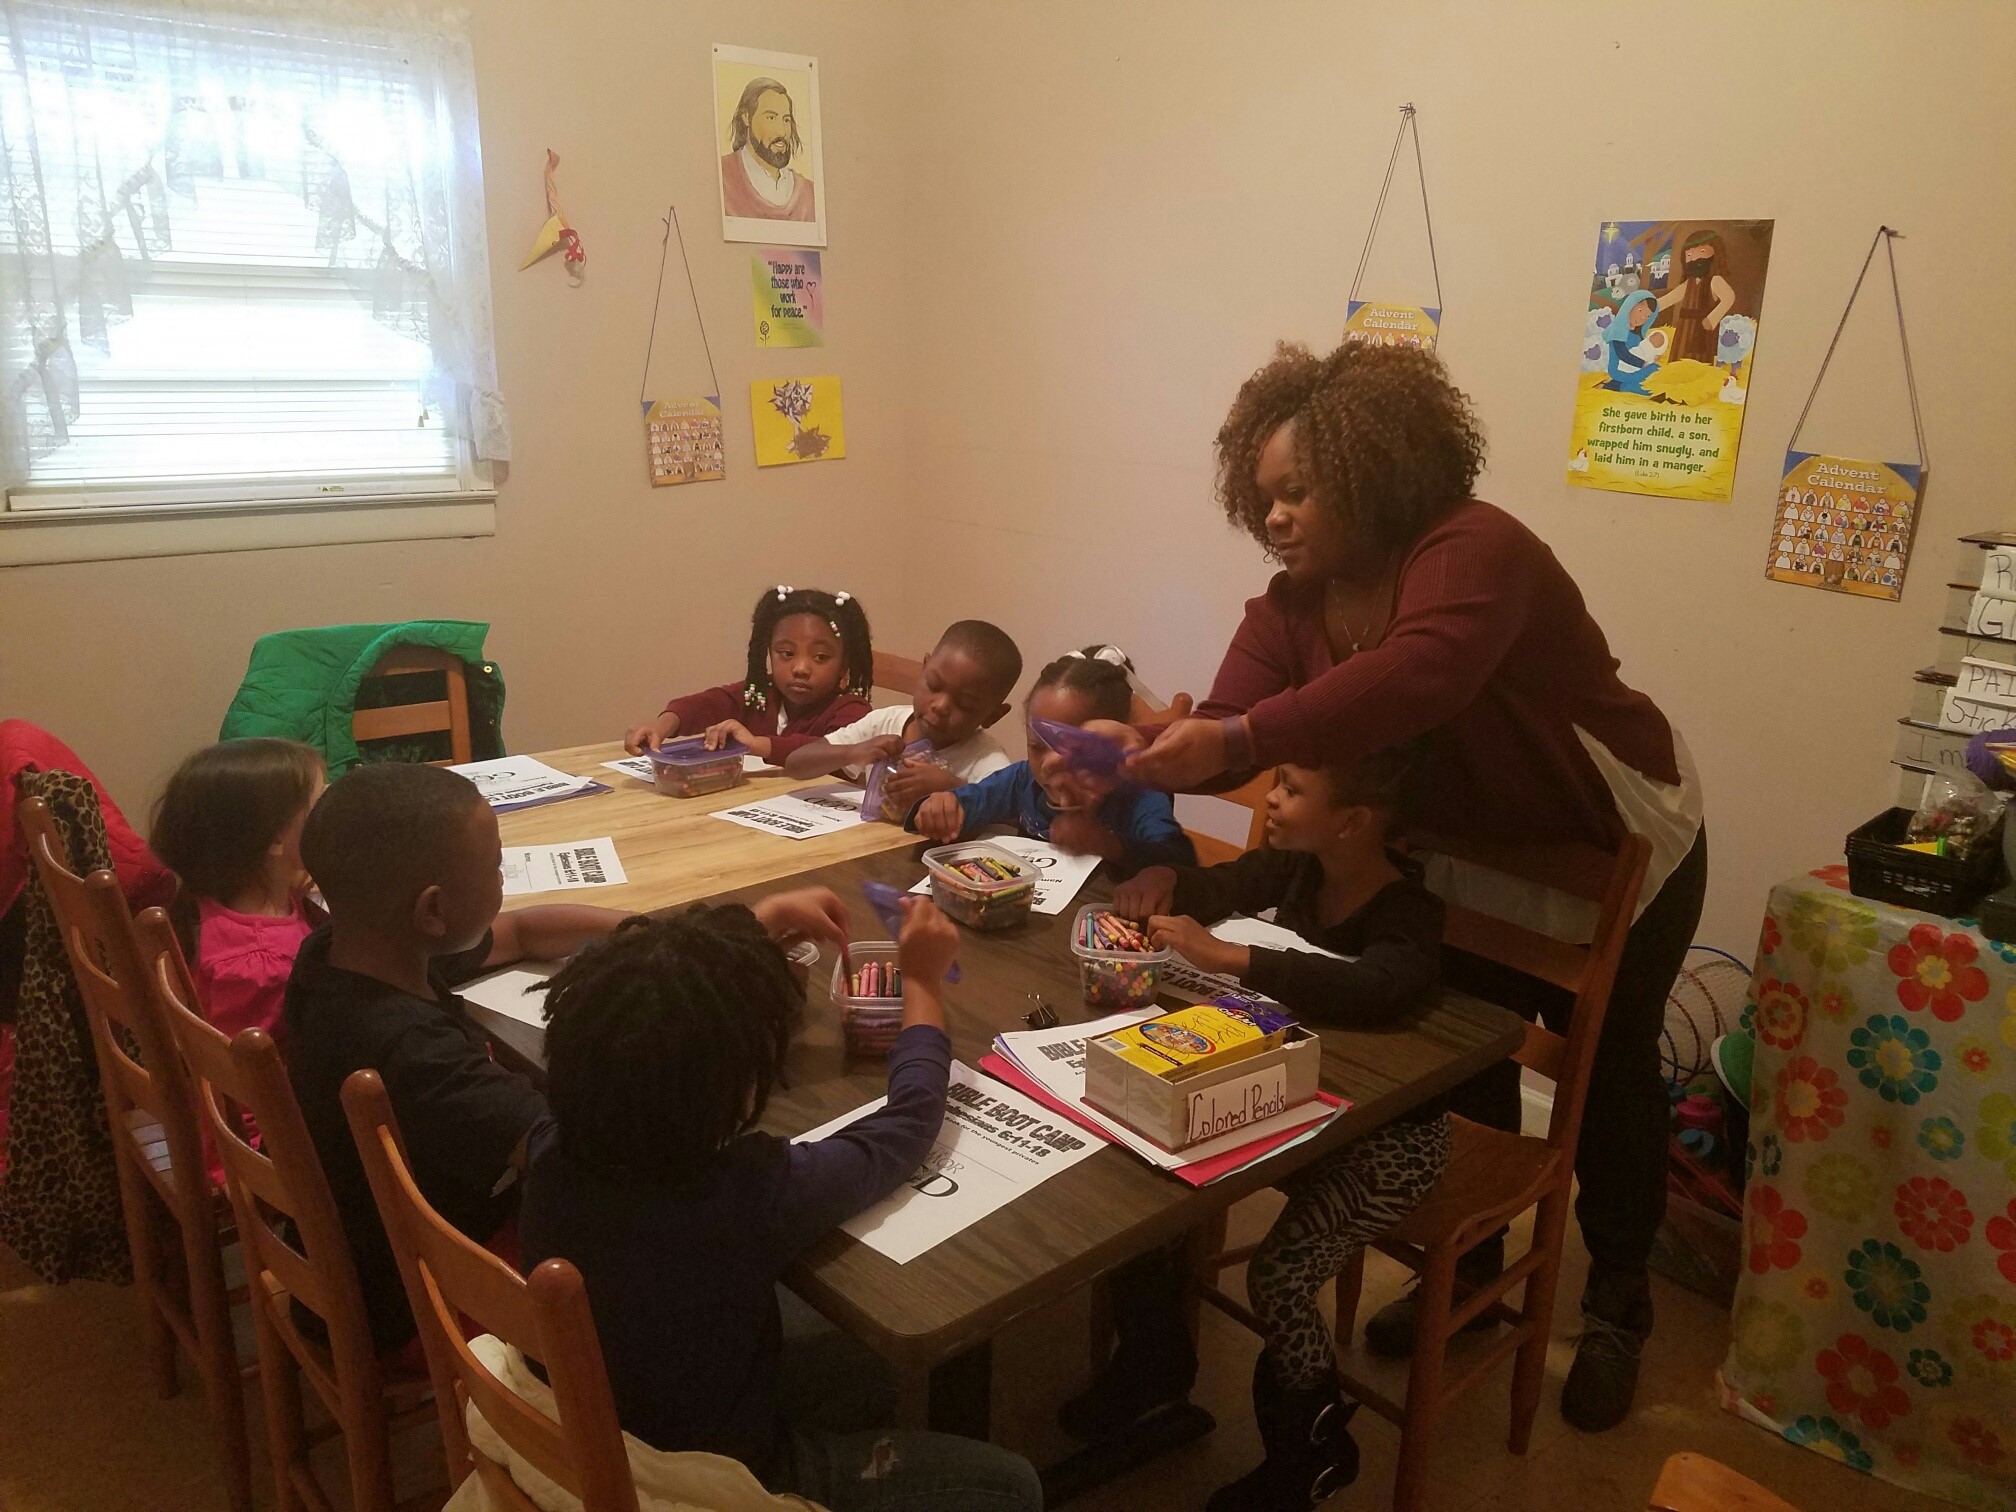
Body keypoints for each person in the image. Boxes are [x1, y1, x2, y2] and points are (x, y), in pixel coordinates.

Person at [1116, 341, 1706, 1433]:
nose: (1277, 518)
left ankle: (1620, 1296)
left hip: (1605, 832)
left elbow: (1417, 676)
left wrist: (1231, 735)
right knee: (1467, 1047)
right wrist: (1145, 742)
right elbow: (1230, 737)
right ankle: (1476, 1282)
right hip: (1472, 841)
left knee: (1612, 1062)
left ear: (1373, 466)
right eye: (1263, 498)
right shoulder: (1292, 604)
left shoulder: (1476, 549)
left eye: (1299, 491)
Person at [519, 897, 1043, 1512]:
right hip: (717, 1481)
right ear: (730, 1092)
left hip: (597, 1422)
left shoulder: (549, 1144)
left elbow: (662, 999)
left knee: (859, 1368)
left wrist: (751, 936)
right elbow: (903, 1128)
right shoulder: (741, 1195)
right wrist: (923, 983)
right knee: (1012, 1487)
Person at [1068, 751, 1448, 1510]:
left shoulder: (1409, 908)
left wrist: (1237, 957)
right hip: (1293, 1104)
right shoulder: (1292, 867)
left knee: (1277, 1276)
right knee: (1146, 1167)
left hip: (1395, 1136)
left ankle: (1311, 1450)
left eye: (1291, 789)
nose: (1269, 799)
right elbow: (1219, 888)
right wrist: (1163, 883)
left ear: (1351, 823)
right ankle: (1154, 1362)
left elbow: (1383, 987)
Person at [283, 763, 636, 1355]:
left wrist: (664, 936)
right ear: (432, 912)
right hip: (417, 1302)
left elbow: (521, 931)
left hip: (354, 1256)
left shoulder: (340, 954)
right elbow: (582, 1156)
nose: (504, 878)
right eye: (497, 866)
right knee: (651, 1240)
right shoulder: (417, 1057)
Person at [911, 645, 1195, 875]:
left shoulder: (1140, 796)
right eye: (1036, 746)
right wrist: (942, 806)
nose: (1048, 764)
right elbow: (969, 802)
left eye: (1075, 750)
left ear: (1114, 740)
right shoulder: (1023, 780)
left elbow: (1179, 864)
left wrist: (1108, 845)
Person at [150, 738, 325, 1042]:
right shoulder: (261, 968)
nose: (329, 816)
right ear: (274, 841)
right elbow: (252, 1080)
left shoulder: (217, 895)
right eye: (319, 807)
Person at [783, 620, 1022, 813]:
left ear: (993, 716)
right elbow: (796, 764)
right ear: (924, 668)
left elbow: (1011, 822)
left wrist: (953, 790)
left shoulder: (987, 762)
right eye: (933, 685)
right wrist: (855, 751)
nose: (940, 706)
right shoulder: (885, 723)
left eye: (965, 703)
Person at [624, 586, 873, 763]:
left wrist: (755, 744)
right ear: (769, 653)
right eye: (786, 653)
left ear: (843, 665)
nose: (800, 668)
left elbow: (828, 750)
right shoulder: (761, 695)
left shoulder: (852, 711)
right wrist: (662, 724)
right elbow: (709, 703)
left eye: (820, 657)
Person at [719, 76, 817, 223]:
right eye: (771, 118)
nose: (782, 132)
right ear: (747, 118)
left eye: (786, 120)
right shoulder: (723, 176)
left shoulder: (808, 192)